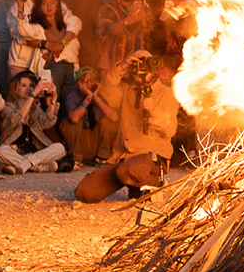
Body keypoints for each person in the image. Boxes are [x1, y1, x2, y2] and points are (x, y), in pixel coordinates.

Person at [75, 53, 181, 202]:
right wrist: (122, 65)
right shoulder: (126, 90)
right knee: (85, 192)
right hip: (124, 158)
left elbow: (170, 130)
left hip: (151, 156)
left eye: (146, 66)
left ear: (154, 69)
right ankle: (135, 184)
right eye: (137, 66)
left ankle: (156, 182)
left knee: (128, 171)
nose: (141, 71)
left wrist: (154, 110)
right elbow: (107, 92)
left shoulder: (166, 93)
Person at [0, 71, 67, 175]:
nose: (28, 88)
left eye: (31, 86)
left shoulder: (35, 108)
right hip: (13, 150)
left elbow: (47, 123)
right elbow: (17, 120)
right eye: (24, 86)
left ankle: (25, 165)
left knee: (59, 148)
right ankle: (37, 167)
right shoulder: (6, 106)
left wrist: (53, 100)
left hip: (34, 152)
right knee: (0, 151)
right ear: (14, 90)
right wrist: (32, 96)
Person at [13, 0, 81, 98]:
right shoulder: (37, 26)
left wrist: (61, 45)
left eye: (52, 2)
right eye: (44, 3)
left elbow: (76, 25)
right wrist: (20, 8)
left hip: (69, 65)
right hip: (49, 66)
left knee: (70, 99)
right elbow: (22, 31)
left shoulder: (66, 20)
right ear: (39, 7)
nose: (49, 7)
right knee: (50, 98)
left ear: (58, 5)